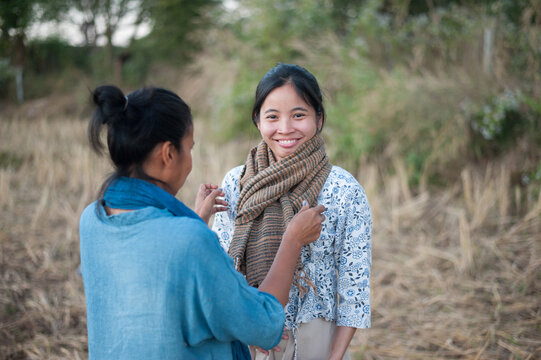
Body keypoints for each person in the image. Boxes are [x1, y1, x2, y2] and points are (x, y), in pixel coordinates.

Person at [79, 85, 326, 360]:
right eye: (189, 148)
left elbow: (155, 279)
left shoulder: (92, 219)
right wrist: (292, 239)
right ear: (168, 154)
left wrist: (194, 221)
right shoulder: (188, 238)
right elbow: (263, 323)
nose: (190, 161)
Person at [212, 63, 372, 360]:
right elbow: (220, 272)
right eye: (272, 116)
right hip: (247, 341)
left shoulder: (343, 189)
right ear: (257, 121)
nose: (285, 128)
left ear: (319, 119)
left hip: (318, 343)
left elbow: (355, 292)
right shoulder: (236, 183)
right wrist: (247, 329)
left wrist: (333, 357)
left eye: (299, 115)